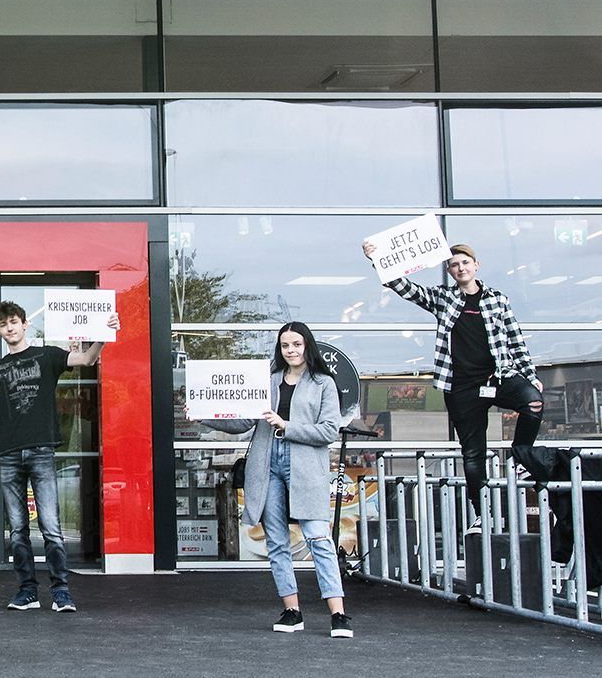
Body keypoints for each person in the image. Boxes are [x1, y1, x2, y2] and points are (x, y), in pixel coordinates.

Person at [362, 239, 541, 531]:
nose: (460, 268)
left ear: (476, 265)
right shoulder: (445, 298)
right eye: (454, 265)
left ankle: (522, 456)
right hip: (461, 387)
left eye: (465, 263)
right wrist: (377, 258)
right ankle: (482, 511)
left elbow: (515, 340)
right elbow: (407, 288)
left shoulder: (497, 299)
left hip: (498, 377)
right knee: (473, 453)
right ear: (449, 269)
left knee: (533, 401)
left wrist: (530, 376)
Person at [203, 321, 352, 638]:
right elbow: (243, 422)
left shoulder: (323, 383)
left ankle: (338, 615)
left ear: (307, 346)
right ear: (279, 349)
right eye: (285, 345)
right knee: (277, 542)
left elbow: (328, 431)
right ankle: (292, 611)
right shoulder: (268, 381)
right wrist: (202, 413)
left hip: (304, 465)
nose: (291, 350)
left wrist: (286, 425)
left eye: (296, 344)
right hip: (267, 463)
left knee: (318, 539)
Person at [0, 300, 119, 612]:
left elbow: (87, 358)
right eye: (3, 324)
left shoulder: (47, 355)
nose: (9, 328)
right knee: (17, 529)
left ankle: (61, 593)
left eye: (14, 322)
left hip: (41, 450)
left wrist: (103, 334)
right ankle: (27, 593)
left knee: (51, 526)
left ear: (24, 324)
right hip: (8, 454)